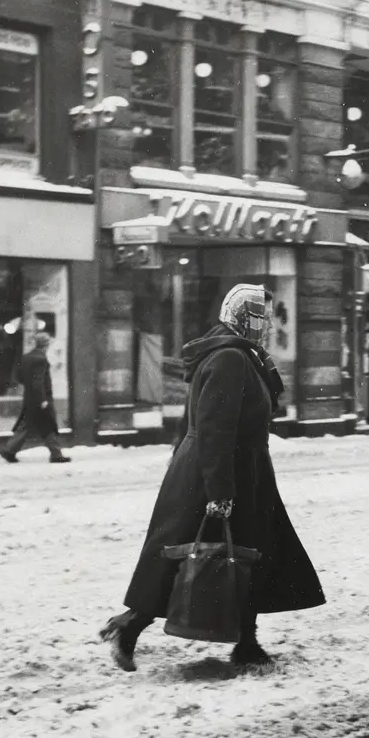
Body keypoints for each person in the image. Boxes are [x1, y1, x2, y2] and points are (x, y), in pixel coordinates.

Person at [100, 284, 326, 673]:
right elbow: (214, 428)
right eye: (263, 317)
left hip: (234, 470)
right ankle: (130, 626)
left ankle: (247, 642)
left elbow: (196, 421)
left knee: (247, 554)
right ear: (245, 318)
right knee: (195, 555)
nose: (269, 325)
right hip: (223, 471)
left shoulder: (236, 356)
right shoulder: (231, 360)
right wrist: (219, 490)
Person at [1, 332, 70, 464]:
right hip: (40, 400)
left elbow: (20, 377)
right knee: (47, 425)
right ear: (46, 344)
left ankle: (10, 451)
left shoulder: (27, 357)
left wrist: (30, 388)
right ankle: (56, 455)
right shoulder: (41, 359)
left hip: (30, 398)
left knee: (31, 426)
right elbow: (38, 382)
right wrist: (42, 399)